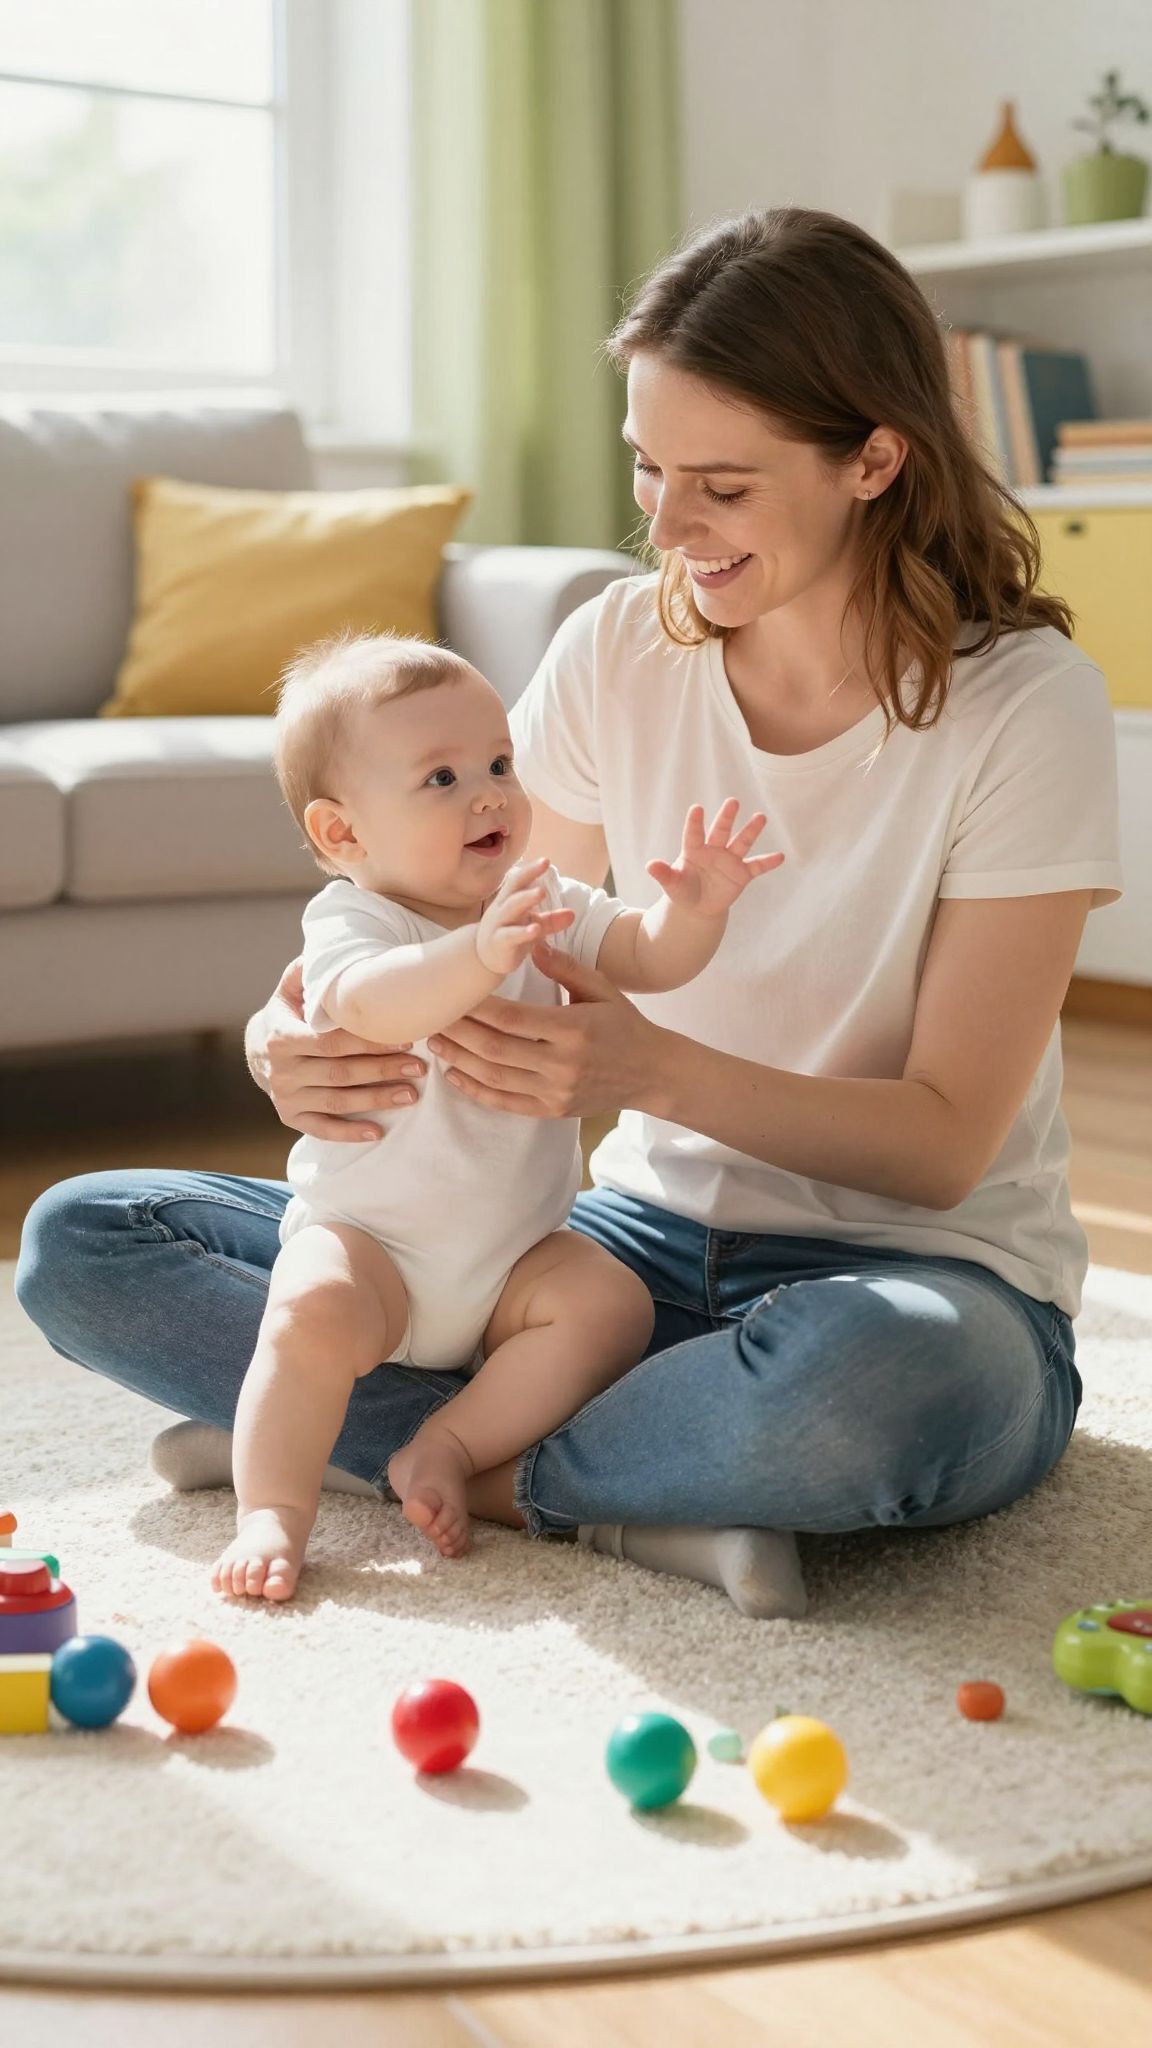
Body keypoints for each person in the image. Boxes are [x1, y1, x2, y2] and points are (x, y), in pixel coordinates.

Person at [16, 206, 1122, 1623]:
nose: (665, 526)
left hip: (919, 1276)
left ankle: (413, 1456)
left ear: (875, 460)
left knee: (878, 1396)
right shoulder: (617, 646)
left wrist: (650, 1069)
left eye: (720, 483)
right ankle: (606, 1469)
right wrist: (283, 1039)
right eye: (649, 471)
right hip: (624, 1250)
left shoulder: (1023, 706)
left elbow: (947, 1142)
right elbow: (468, 919)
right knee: (91, 1241)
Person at [211, 628, 781, 1600]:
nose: (489, 793)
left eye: (500, 763)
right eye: (440, 777)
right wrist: (479, 950)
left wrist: (696, 911)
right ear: (344, 834)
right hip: (371, 1252)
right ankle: (273, 1504)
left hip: (516, 1256)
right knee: (303, 1308)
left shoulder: (538, 894)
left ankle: (446, 1443)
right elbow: (370, 1001)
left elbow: (642, 956)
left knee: (610, 1305)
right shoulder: (358, 918)